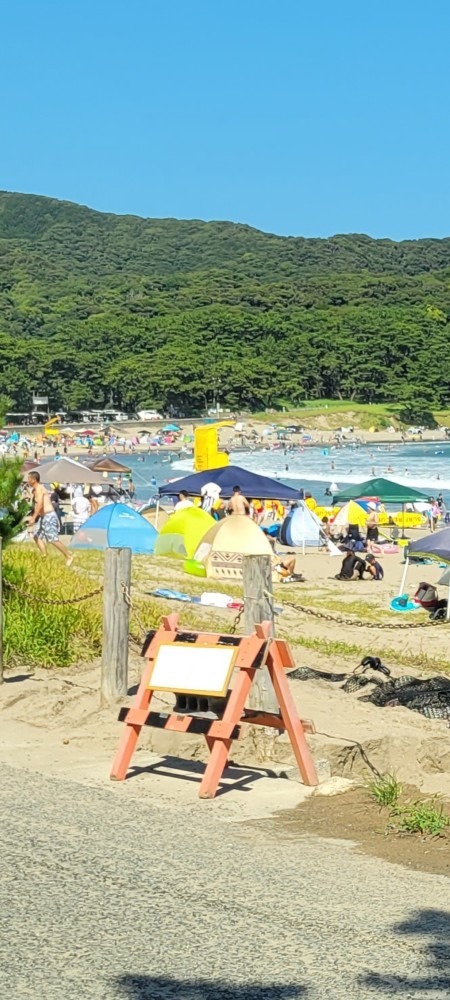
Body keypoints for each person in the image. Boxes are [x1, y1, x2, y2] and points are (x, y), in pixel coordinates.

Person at [27, 471, 73, 566]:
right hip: (43, 516)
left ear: (34, 480)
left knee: (52, 539)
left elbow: (40, 504)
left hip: (49, 516)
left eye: (29, 478)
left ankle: (68, 556)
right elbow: (36, 505)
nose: (27, 480)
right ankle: (44, 555)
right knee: (36, 535)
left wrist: (33, 518)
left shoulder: (40, 488)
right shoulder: (35, 490)